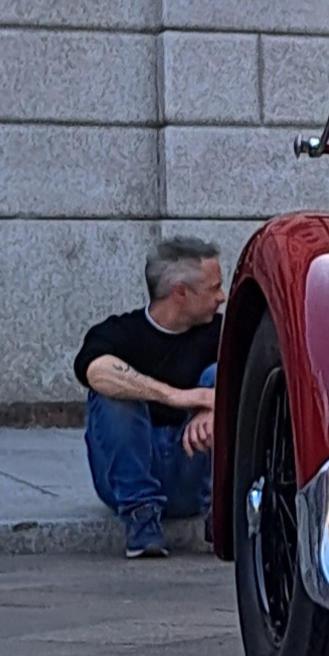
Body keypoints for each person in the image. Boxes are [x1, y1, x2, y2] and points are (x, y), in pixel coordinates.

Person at [75, 236, 225, 559]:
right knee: (112, 391)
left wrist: (216, 407)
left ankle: (222, 511)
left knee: (222, 376)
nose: (222, 298)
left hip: (192, 469)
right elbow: (94, 370)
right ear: (180, 293)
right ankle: (142, 521)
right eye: (214, 288)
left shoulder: (222, 332)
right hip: (126, 473)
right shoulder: (119, 332)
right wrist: (181, 397)